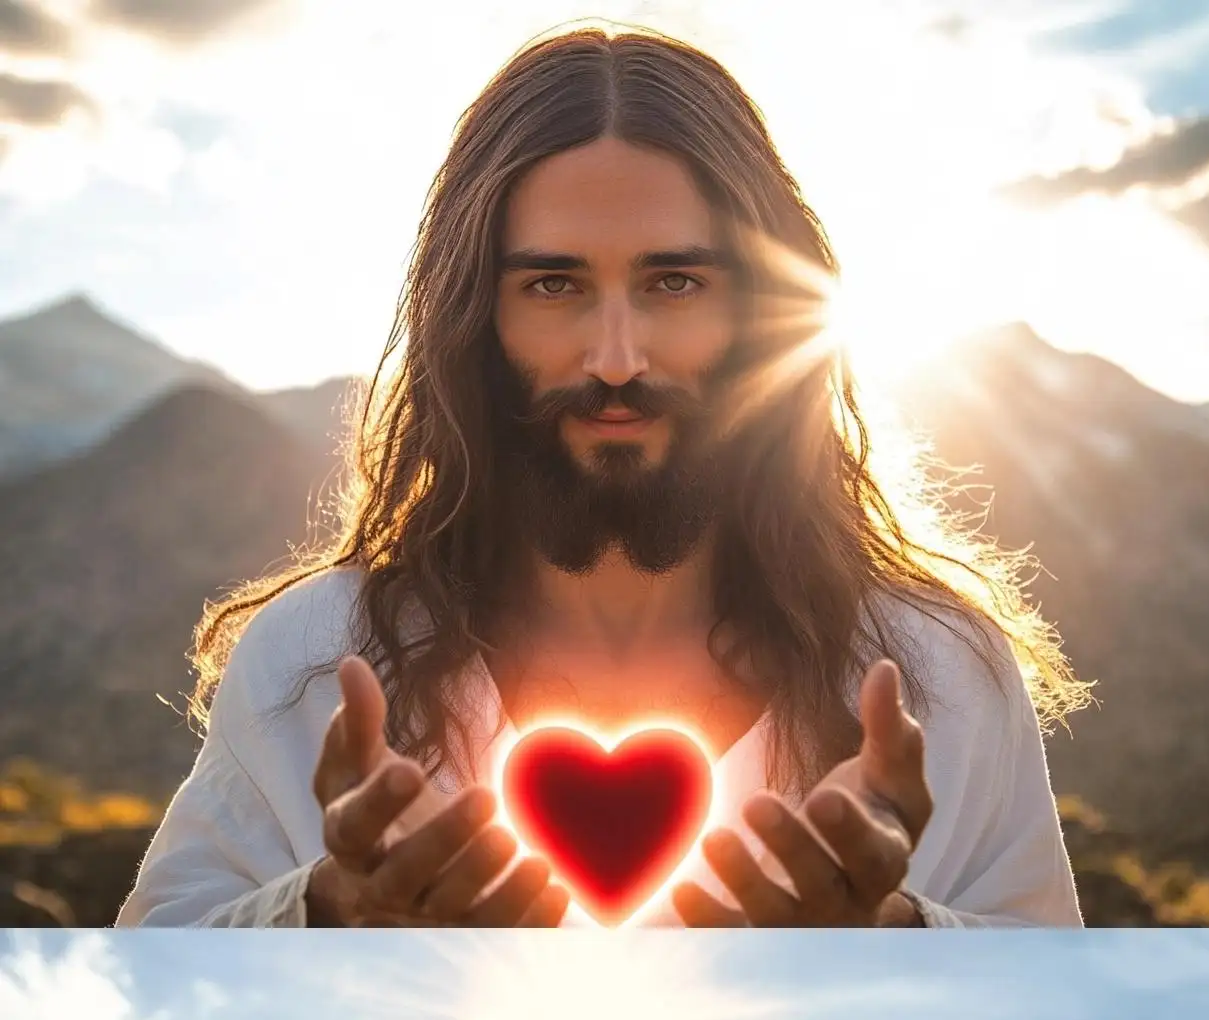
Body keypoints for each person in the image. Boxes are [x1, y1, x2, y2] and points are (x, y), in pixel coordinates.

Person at [121, 28, 1084, 928]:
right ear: (473, 321)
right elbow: (159, 975)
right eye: (554, 285)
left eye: (674, 283)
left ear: (759, 312)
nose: (617, 357)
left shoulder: (943, 678)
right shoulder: (311, 665)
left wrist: (893, 934)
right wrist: (331, 911)